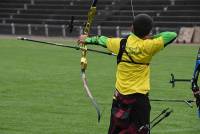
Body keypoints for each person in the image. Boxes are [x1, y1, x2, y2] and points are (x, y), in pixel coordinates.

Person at [78, 14, 177, 134]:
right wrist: (150, 38)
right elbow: (172, 35)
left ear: (131, 27)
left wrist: (86, 39)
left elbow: (101, 40)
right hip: (140, 102)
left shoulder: (120, 44)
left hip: (120, 99)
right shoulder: (150, 45)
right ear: (148, 31)